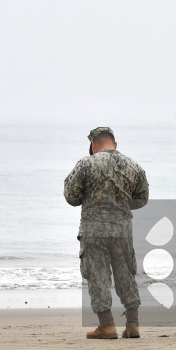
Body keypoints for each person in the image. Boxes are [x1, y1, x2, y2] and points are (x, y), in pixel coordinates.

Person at [64, 127, 149, 339]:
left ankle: (107, 325)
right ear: (115, 144)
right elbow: (142, 198)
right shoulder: (134, 166)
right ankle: (133, 324)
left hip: (93, 229)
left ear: (94, 145)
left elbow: (71, 197)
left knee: (97, 275)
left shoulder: (85, 164)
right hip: (122, 229)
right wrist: (120, 205)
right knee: (125, 274)